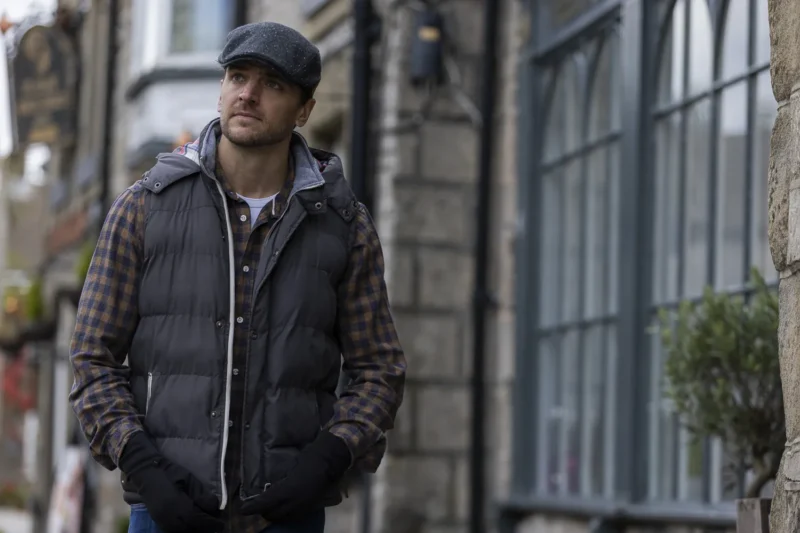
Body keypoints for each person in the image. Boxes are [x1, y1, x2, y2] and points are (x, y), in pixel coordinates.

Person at [68, 21, 406, 533]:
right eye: (238, 77)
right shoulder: (144, 208)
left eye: (273, 84)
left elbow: (380, 371)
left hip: (288, 516)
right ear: (222, 87)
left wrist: (327, 459)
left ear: (304, 110)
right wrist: (144, 466)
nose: (248, 94)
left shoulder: (343, 225)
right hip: (165, 513)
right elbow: (92, 358)